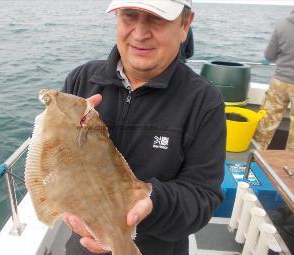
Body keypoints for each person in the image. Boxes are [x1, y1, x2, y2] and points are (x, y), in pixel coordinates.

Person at [62, 0, 226, 254]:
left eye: (156, 19)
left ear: (185, 25)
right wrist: (63, 133)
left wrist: (152, 203)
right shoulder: (82, 80)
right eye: (129, 16)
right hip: (83, 243)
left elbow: (202, 197)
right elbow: (51, 160)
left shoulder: (204, 102)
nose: (139, 34)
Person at [254, 10, 294, 151]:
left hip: (280, 81)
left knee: (266, 123)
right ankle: (290, 165)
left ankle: (256, 157)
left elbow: (269, 55)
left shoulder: (282, 24)